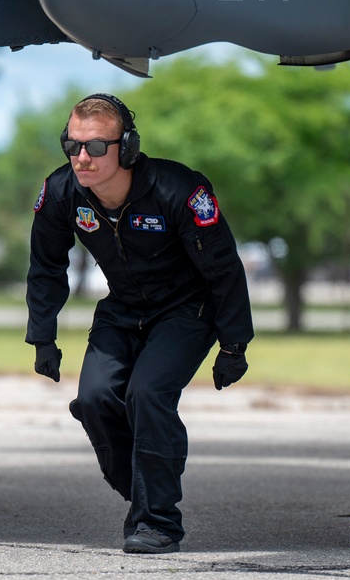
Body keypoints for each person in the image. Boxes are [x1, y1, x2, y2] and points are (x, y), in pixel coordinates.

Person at [26, 93, 254, 554]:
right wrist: (43, 336)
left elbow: (223, 269)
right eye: (72, 146)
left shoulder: (180, 192)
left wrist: (234, 345)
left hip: (187, 308)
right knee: (93, 400)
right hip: (124, 306)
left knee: (147, 395)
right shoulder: (60, 193)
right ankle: (147, 491)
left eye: (95, 147)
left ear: (127, 148)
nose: (82, 158)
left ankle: (159, 522)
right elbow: (46, 265)